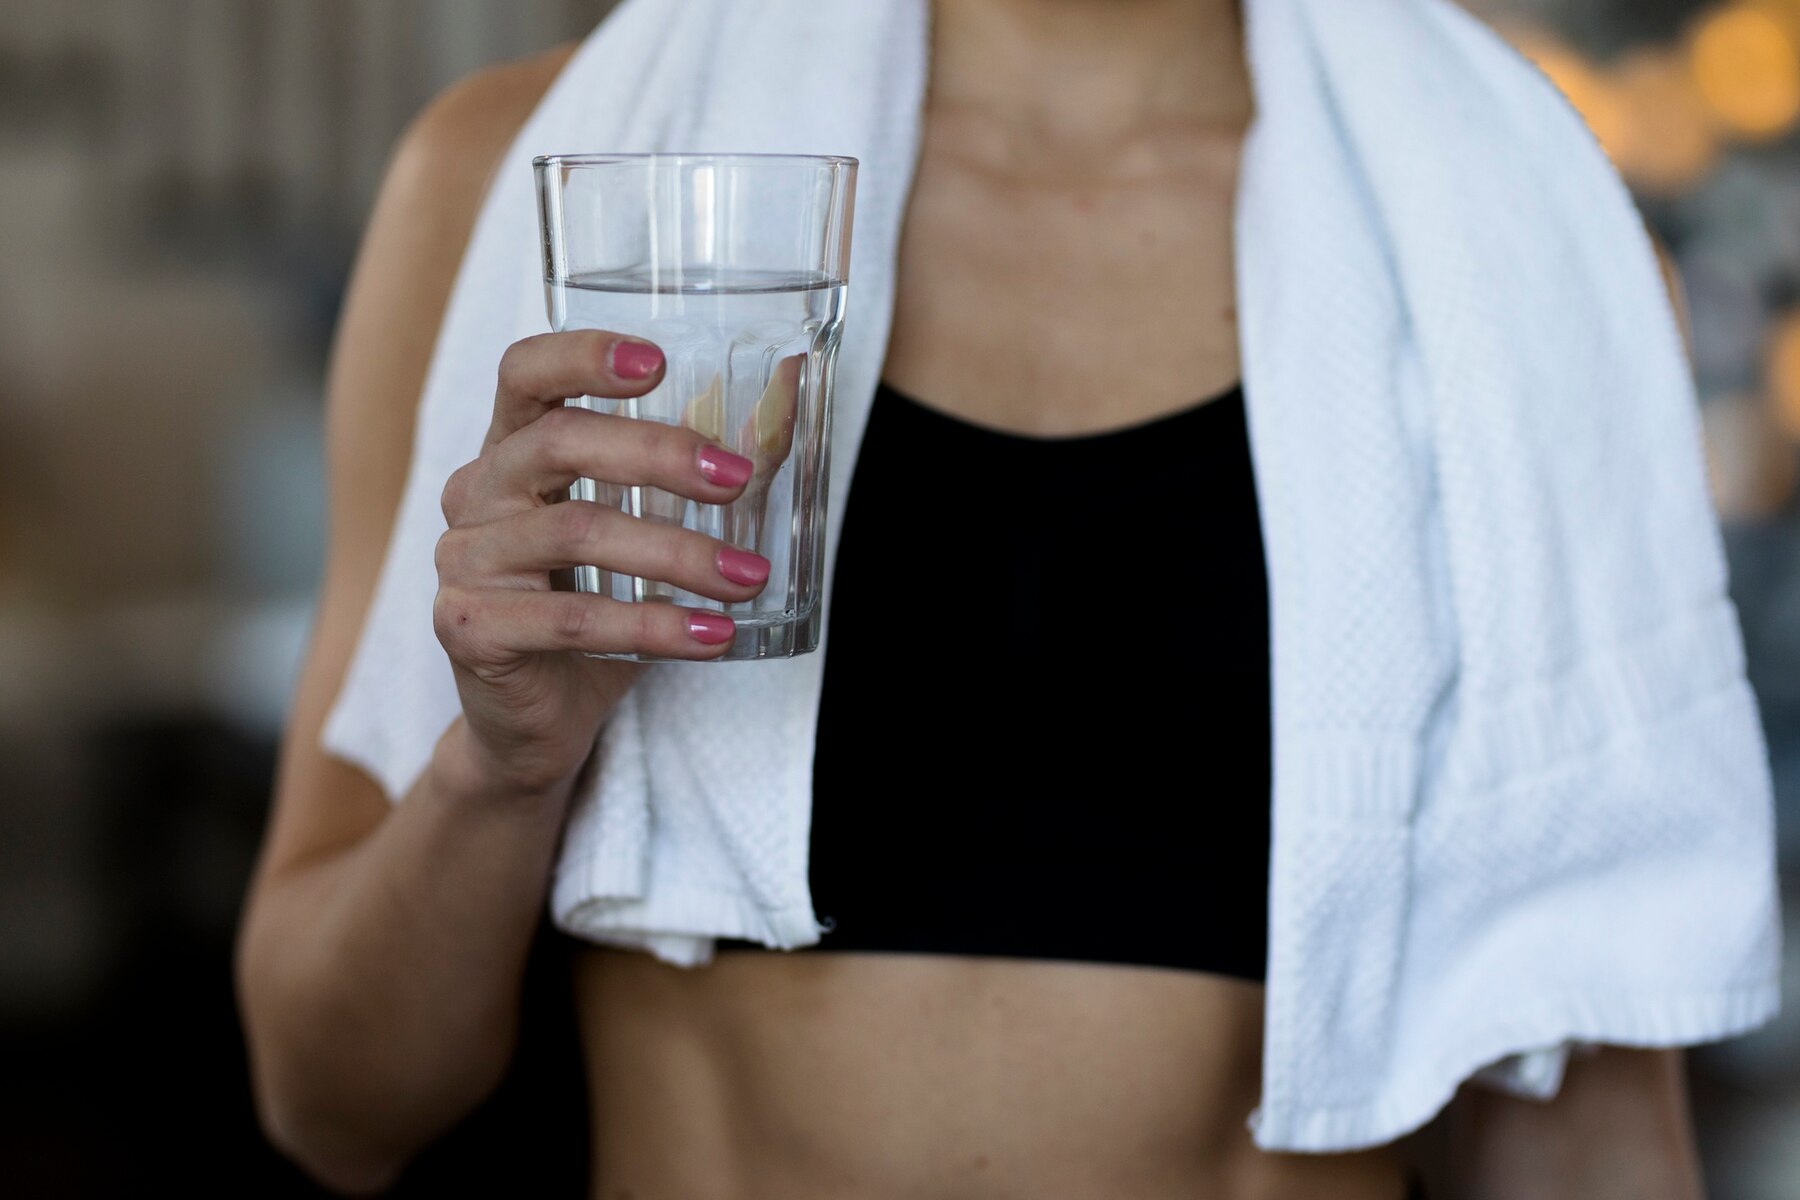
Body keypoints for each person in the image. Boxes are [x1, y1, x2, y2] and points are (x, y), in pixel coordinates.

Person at [234, 1, 1714, 1196]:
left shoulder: (1506, 244)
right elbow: (332, 1104)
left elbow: (1576, 1128)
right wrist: (500, 774)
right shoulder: (537, 185)